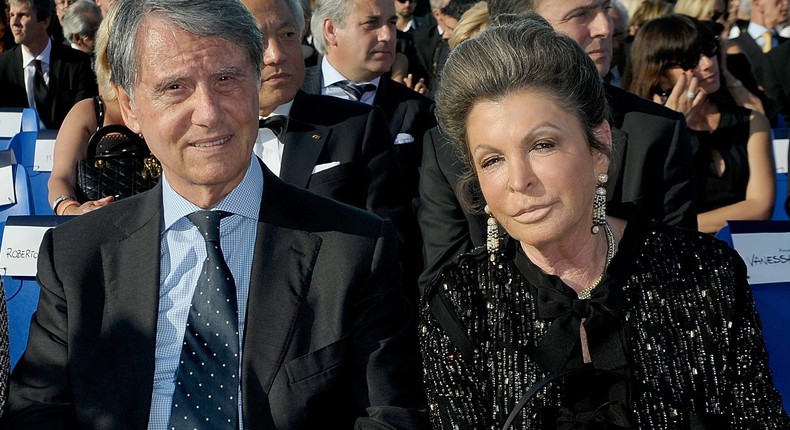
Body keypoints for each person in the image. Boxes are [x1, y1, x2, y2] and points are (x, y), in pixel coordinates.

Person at [2, 0, 429, 428]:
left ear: (255, 82)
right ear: (130, 108)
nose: (208, 113)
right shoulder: (77, 257)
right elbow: (38, 412)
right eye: (175, 88)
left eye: (226, 79)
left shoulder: (354, 251)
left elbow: (388, 417)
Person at [419, 14, 790, 429]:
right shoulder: (459, 302)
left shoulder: (703, 273)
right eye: (492, 160)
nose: (518, 180)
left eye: (542, 145)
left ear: (599, 146)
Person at [419, 0, 697, 291]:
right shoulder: (446, 146)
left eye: (543, 145)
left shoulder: (657, 129)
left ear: (600, 142)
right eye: (580, 15)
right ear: (519, 24)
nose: (605, 27)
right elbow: (442, 285)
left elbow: (682, 273)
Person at [241, 0, 419, 301]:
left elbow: (392, 247)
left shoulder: (353, 126)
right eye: (258, 40)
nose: (277, 55)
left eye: (287, 35)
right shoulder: (201, 136)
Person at [623, 14, 775, 234]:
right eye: (690, 60)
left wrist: (675, 226)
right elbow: (641, 207)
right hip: (673, 256)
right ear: (660, 74)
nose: (707, 63)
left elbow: (760, 208)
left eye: (710, 50)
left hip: (746, 253)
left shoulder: (752, 121)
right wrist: (669, 129)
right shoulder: (637, 130)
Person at [47, 4, 124, 216]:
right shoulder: (89, 112)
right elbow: (60, 177)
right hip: (97, 224)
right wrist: (71, 209)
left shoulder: (166, 107)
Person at [0, 0, 97, 129]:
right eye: (12, 15)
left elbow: (85, 118)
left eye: (23, 15)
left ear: (45, 20)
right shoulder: (3, 66)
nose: (14, 22)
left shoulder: (76, 64)